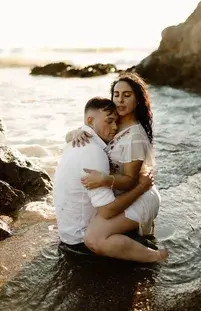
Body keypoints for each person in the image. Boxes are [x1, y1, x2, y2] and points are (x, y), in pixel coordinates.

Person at [54, 96, 168, 262]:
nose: (114, 127)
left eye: (116, 121)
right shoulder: (93, 152)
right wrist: (141, 187)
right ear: (90, 120)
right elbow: (107, 210)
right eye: (109, 121)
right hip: (82, 238)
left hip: (67, 234)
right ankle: (157, 257)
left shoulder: (75, 142)